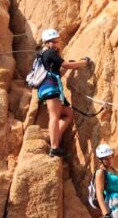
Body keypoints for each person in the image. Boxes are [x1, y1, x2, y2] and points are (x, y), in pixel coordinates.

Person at [32, 28, 91, 158]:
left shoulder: (45, 54)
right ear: (47, 42)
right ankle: (54, 148)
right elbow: (67, 66)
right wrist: (83, 62)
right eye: (54, 41)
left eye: (58, 41)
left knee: (68, 114)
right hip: (51, 87)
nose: (57, 44)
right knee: (54, 116)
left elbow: (60, 70)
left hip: (49, 87)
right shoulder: (50, 52)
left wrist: (67, 67)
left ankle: (54, 136)